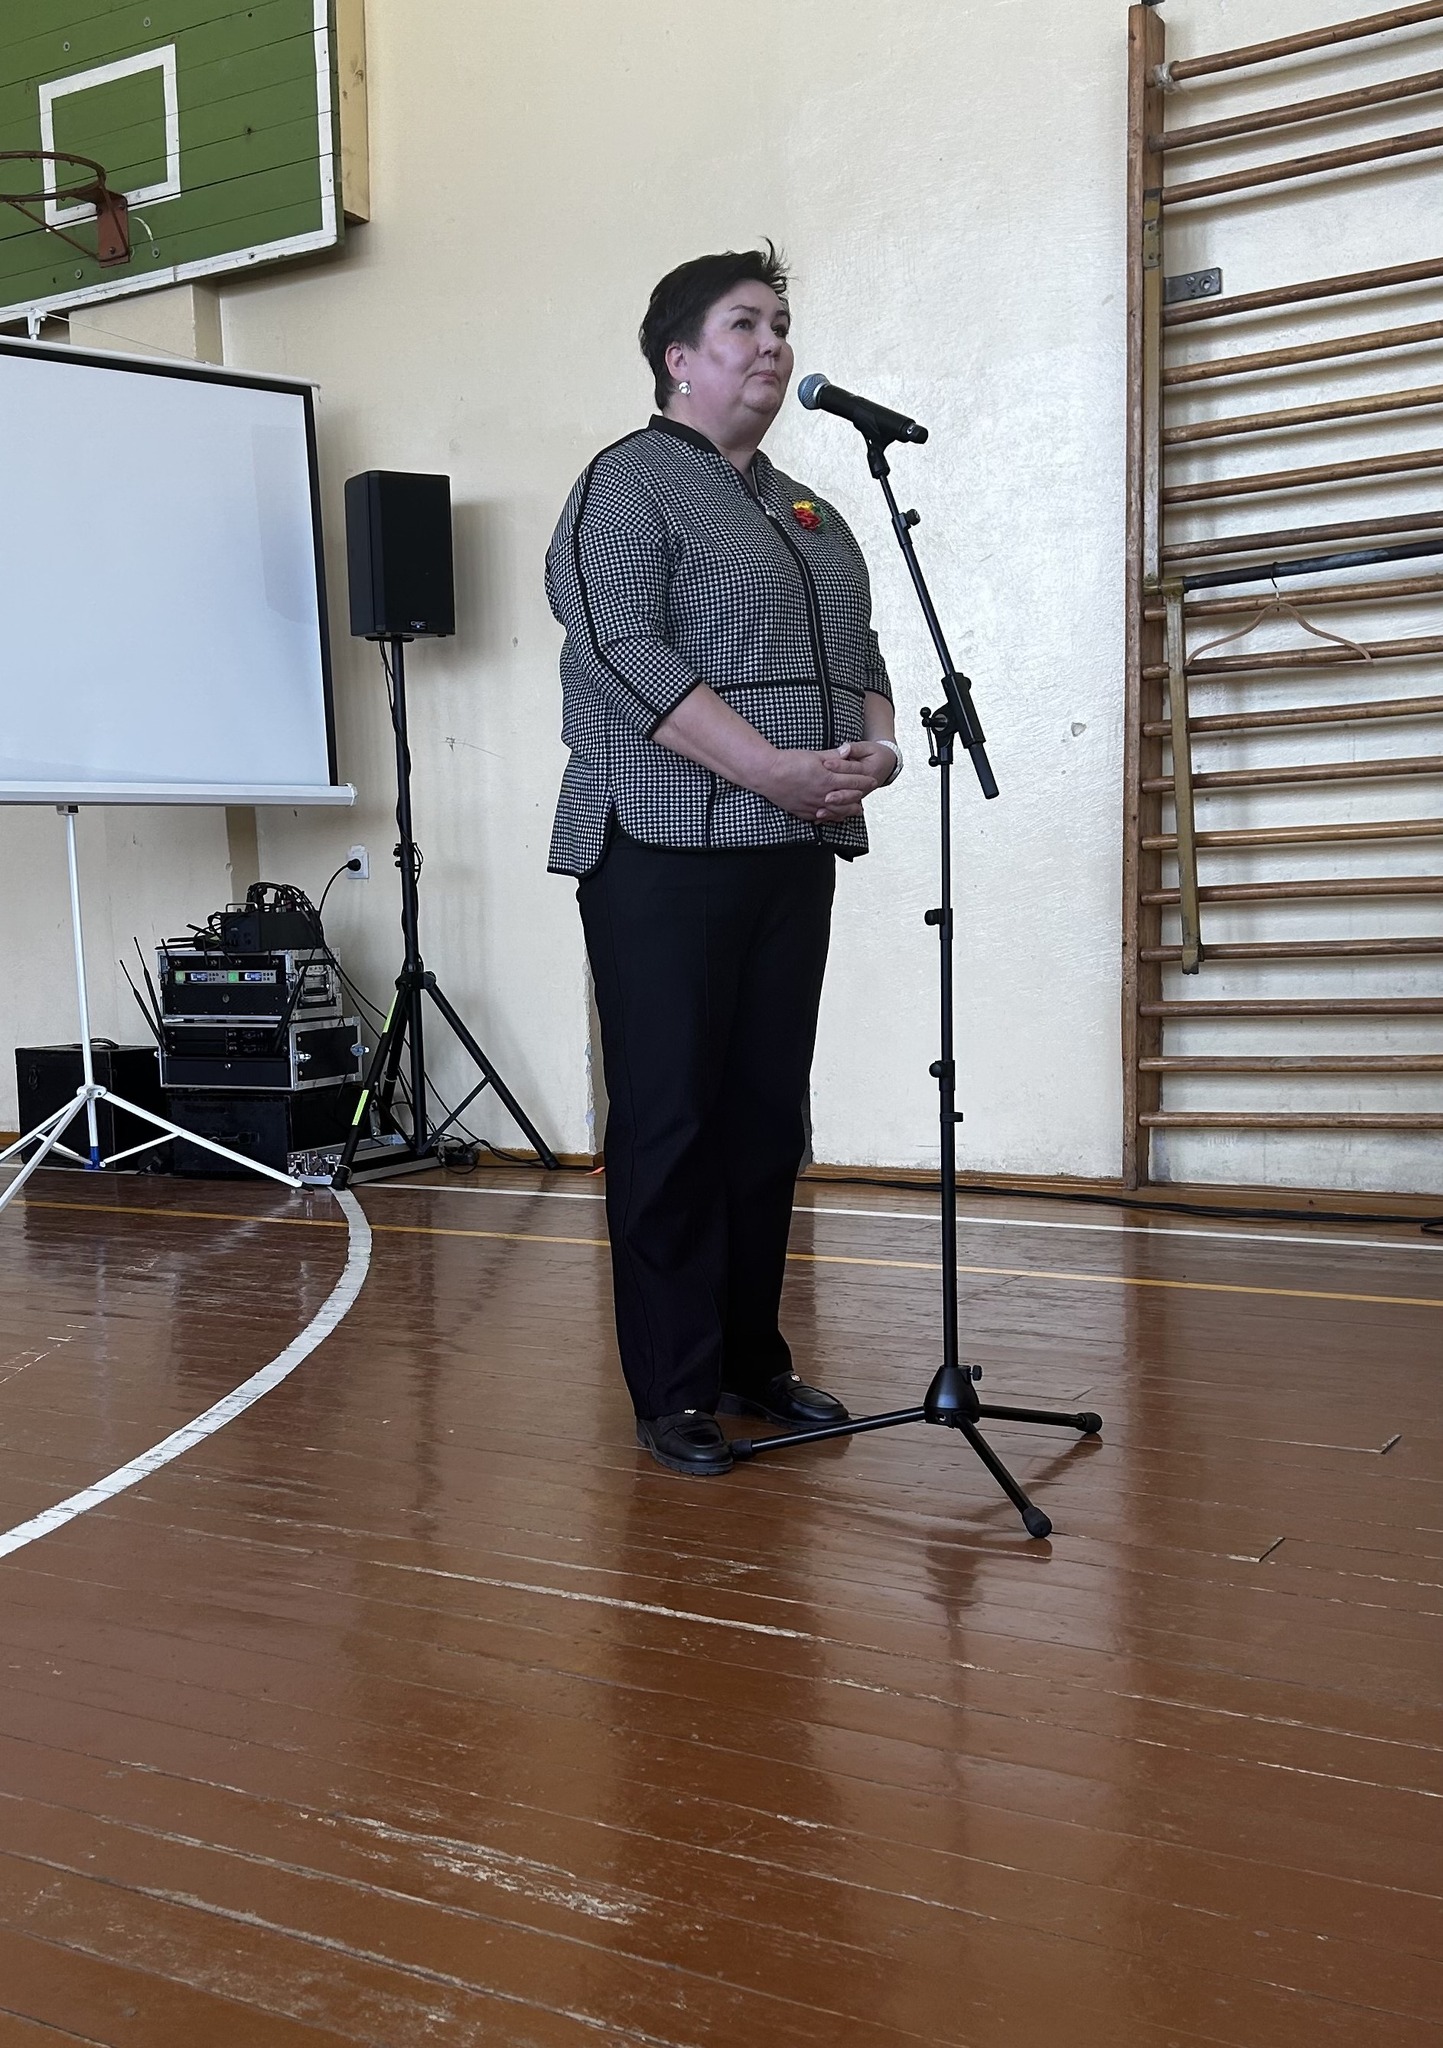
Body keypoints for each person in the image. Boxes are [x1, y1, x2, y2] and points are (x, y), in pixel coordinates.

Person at [545, 242, 900, 1477]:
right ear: (678, 358)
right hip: (661, 846)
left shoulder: (809, 509)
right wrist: (769, 767)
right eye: (745, 324)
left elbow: (860, 650)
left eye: (781, 325)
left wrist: (873, 749)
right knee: (673, 1117)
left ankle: (752, 1356)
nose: (773, 345)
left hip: (791, 845)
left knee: (762, 1116)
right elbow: (620, 648)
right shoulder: (626, 484)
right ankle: (676, 1385)